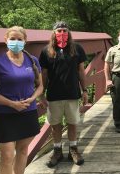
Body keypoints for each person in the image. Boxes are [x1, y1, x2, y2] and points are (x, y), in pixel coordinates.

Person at [0, 26, 43, 174]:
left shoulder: (33, 61)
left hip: (28, 111)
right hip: (5, 114)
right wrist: (12, 104)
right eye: (13, 39)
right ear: (6, 40)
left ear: (25, 41)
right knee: (6, 156)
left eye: (20, 39)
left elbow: (40, 86)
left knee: (23, 151)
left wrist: (32, 98)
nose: (16, 42)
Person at [39, 21, 88, 167]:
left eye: (64, 30)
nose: (62, 33)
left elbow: (81, 71)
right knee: (55, 125)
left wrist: (84, 90)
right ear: (53, 33)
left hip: (72, 93)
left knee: (72, 123)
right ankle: (57, 151)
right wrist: (41, 94)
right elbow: (44, 74)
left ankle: (73, 150)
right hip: (54, 95)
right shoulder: (46, 50)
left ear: (69, 33)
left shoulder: (77, 48)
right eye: (59, 30)